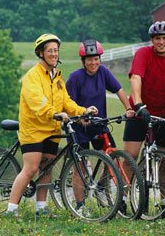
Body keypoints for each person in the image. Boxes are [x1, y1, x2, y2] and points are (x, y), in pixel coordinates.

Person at [6, 34, 98, 216]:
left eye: (56, 51)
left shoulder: (57, 78)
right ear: (41, 53)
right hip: (33, 129)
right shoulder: (32, 76)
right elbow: (37, 102)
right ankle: (11, 209)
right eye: (50, 51)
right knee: (31, 168)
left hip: (52, 129)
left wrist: (83, 111)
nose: (54, 54)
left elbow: (67, 102)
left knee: (46, 168)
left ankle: (41, 207)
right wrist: (54, 113)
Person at [122, 21, 165, 205]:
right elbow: (136, 77)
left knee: (164, 160)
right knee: (130, 155)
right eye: (157, 38)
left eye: (164, 38)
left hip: (164, 114)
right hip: (141, 111)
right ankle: (123, 199)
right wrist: (139, 104)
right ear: (152, 40)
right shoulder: (143, 54)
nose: (161, 42)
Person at [66, 39, 134, 210]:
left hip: (98, 124)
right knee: (80, 166)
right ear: (83, 61)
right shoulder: (75, 77)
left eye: (96, 58)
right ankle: (80, 206)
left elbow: (119, 90)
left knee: (112, 158)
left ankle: (101, 188)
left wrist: (128, 108)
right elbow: (67, 103)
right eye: (90, 59)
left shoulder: (103, 72)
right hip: (78, 127)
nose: (94, 62)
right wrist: (80, 117)